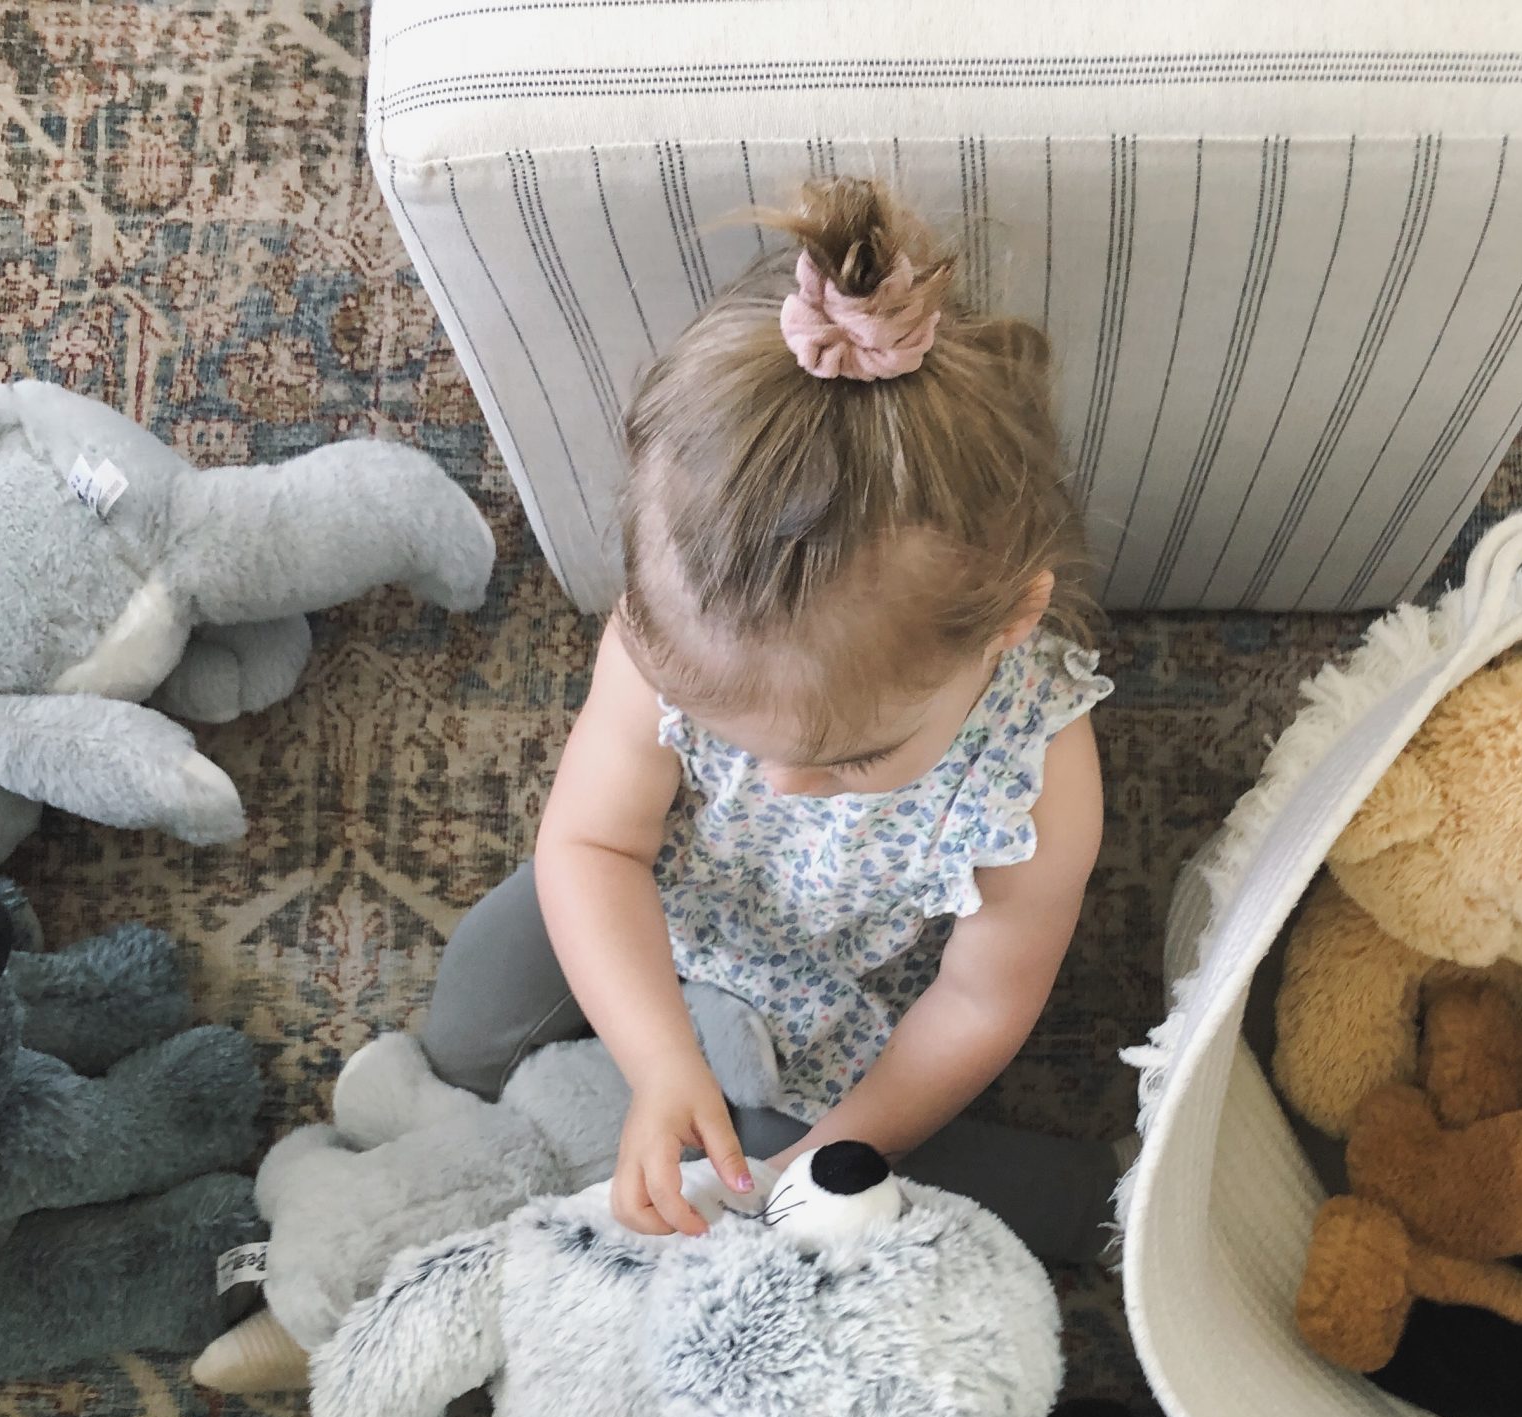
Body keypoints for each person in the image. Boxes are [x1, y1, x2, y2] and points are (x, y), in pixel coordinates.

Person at [422, 176, 1123, 1264]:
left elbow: (982, 1002)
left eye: (852, 758)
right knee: (468, 1022)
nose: (781, 786)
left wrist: (834, 1155)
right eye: (727, 734)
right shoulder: (665, 639)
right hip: (661, 897)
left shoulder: (1039, 768)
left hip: (829, 1003)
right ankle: (600, 1105)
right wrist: (659, 1062)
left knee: (779, 1174)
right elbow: (593, 842)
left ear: (1007, 626)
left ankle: (1093, 1200)